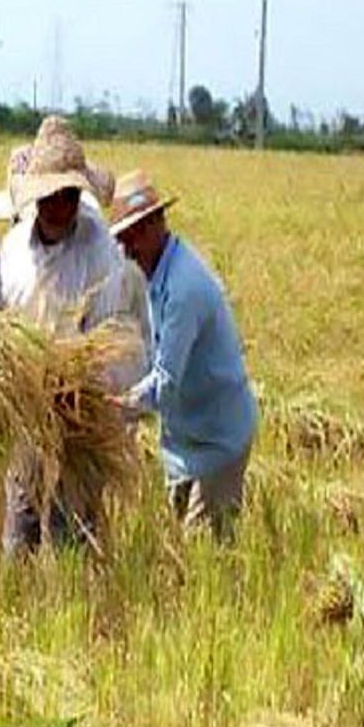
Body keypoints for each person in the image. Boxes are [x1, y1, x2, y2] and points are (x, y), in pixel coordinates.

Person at [0, 116, 151, 553]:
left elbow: (113, 343)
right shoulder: (14, 251)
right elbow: (4, 322)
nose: (60, 204)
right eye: (51, 194)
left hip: (79, 419)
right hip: (27, 415)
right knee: (20, 532)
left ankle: (78, 612)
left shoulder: (102, 252)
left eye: (69, 194)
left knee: (74, 536)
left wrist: (77, 387)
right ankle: (25, 612)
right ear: (37, 195)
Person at [110, 170, 258, 541]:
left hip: (217, 440)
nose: (129, 247)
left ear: (159, 223)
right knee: (182, 546)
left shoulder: (182, 288)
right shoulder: (155, 271)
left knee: (204, 558)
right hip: (183, 441)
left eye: (137, 234)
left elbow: (166, 382)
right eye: (124, 238)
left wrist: (113, 408)